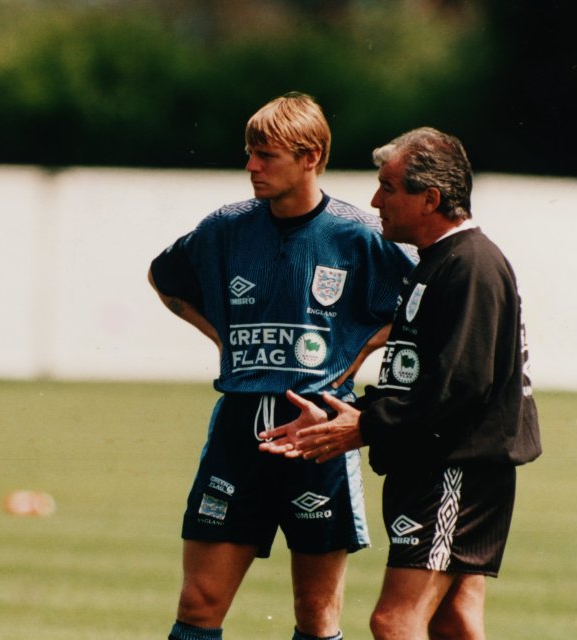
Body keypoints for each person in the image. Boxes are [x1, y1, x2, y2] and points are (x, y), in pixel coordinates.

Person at [148, 93, 416, 640]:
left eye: (266, 155)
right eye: (249, 153)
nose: (251, 167)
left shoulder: (358, 233)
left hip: (318, 428)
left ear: (311, 156)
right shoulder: (225, 227)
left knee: (316, 616)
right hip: (238, 425)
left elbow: (425, 303)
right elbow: (164, 278)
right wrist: (218, 334)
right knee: (198, 604)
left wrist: (362, 349)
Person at [260, 127, 542, 639]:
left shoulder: (470, 266)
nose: (375, 200)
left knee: (394, 621)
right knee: (453, 622)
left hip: (455, 469)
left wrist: (365, 426)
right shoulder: (439, 264)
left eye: (388, 188)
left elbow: (461, 387)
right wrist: (340, 416)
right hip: (435, 464)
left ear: (430, 198)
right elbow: (422, 378)